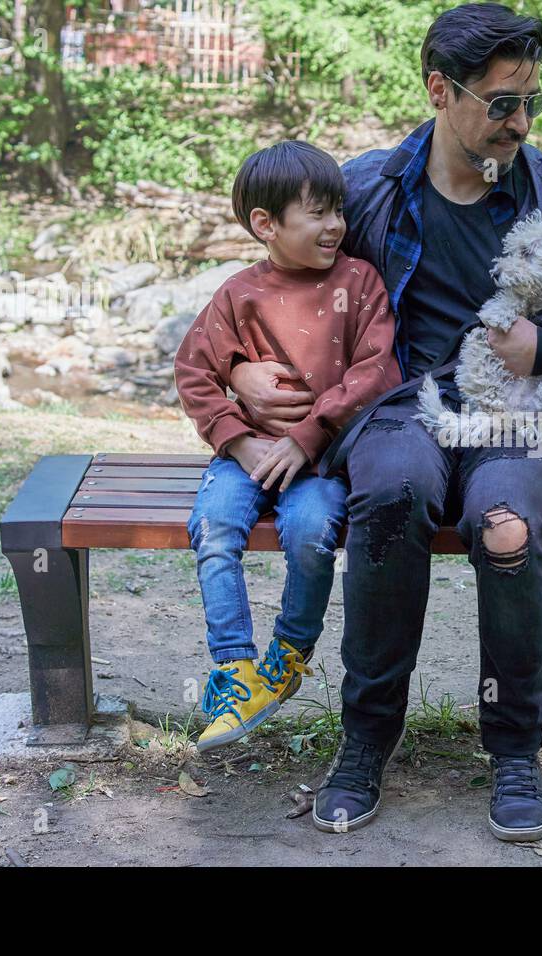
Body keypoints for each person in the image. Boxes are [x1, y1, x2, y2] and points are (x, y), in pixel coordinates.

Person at [230, 3, 542, 839]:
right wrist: (242, 370)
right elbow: (265, 284)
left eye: (532, 102)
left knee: (505, 528)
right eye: (502, 102)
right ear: (441, 90)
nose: (521, 121)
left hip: (528, 417)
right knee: (392, 498)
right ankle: (364, 740)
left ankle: (513, 750)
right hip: (403, 408)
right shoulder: (362, 188)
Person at [174, 141, 403, 754]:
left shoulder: (360, 283)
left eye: (339, 211)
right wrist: (238, 439)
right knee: (214, 525)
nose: (336, 226)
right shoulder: (237, 295)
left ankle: (289, 655)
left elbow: (376, 374)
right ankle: (232, 669)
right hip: (246, 455)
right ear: (265, 225)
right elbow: (194, 372)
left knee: (309, 532)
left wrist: (308, 437)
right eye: (318, 213)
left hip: (322, 461)